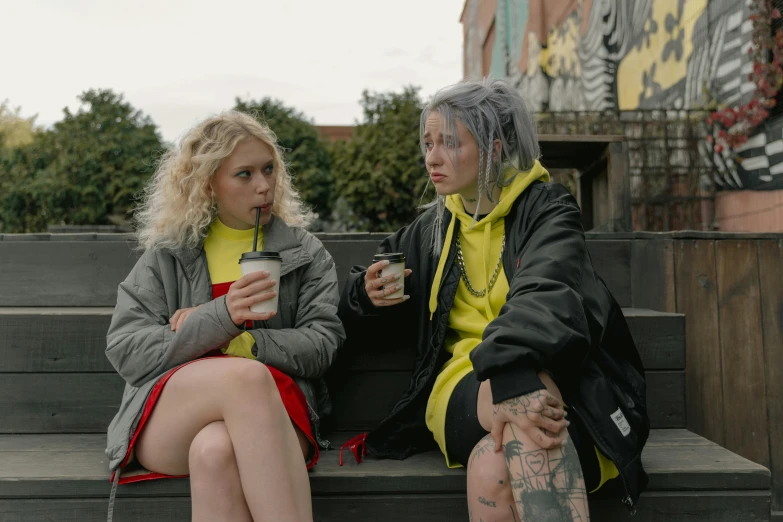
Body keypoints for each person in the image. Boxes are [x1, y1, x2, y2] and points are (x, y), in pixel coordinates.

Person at [338, 79, 649, 521]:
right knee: (528, 415)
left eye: (449, 142)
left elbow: (548, 294)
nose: (432, 157)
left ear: (495, 148)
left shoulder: (547, 210)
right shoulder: (431, 229)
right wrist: (365, 293)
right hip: (463, 390)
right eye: (428, 144)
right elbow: (354, 289)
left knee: (494, 464)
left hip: (556, 384)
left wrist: (511, 378)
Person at [104, 111, 345, 522]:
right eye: (245, 174)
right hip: (172, 419)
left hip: (278, 417)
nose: (264, 186)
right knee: (247, 377)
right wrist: (221, 317)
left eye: (268, 169)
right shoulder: (170, 254)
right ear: (208, 184)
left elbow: (321, 345)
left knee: (215, 451)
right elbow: (127, 350)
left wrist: (245, 342)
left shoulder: (305, 253)